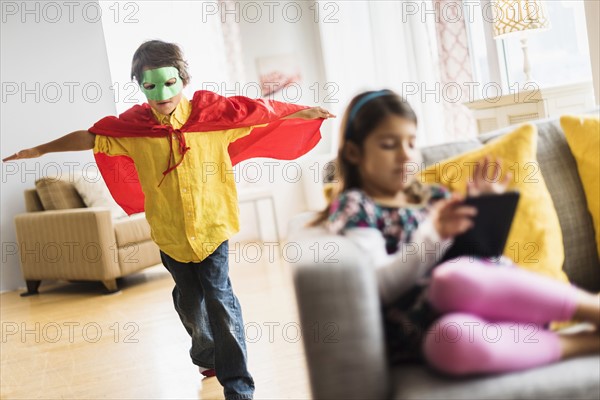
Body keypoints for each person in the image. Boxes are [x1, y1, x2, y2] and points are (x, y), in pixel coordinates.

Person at [3, 40, 335, 400]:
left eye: (168, 82)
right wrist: (39, 150)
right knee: (190, 301)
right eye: (150, 85)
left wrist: (302, 112)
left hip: (212, 229)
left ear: (183, 79)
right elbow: (92, 137)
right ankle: (206, 354)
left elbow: (259, 112)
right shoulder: (135, 131)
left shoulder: (212, 118)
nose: (161, 93)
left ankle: (238, 386)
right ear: (141, 85)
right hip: (170, 234)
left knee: (221, 300)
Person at [311, 89, 600, 376]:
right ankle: (582, 342)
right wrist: (433, 234)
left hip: (478, 298)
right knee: (450, 341)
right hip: (424, 326)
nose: (404, 155)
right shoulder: (356, 207)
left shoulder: (432, 197)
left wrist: (480, 211)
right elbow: (381, 287)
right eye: (388, 145)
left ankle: (592, 308)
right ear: (353, 152)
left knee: (454, 280)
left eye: (411, 144)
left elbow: (480, 265)